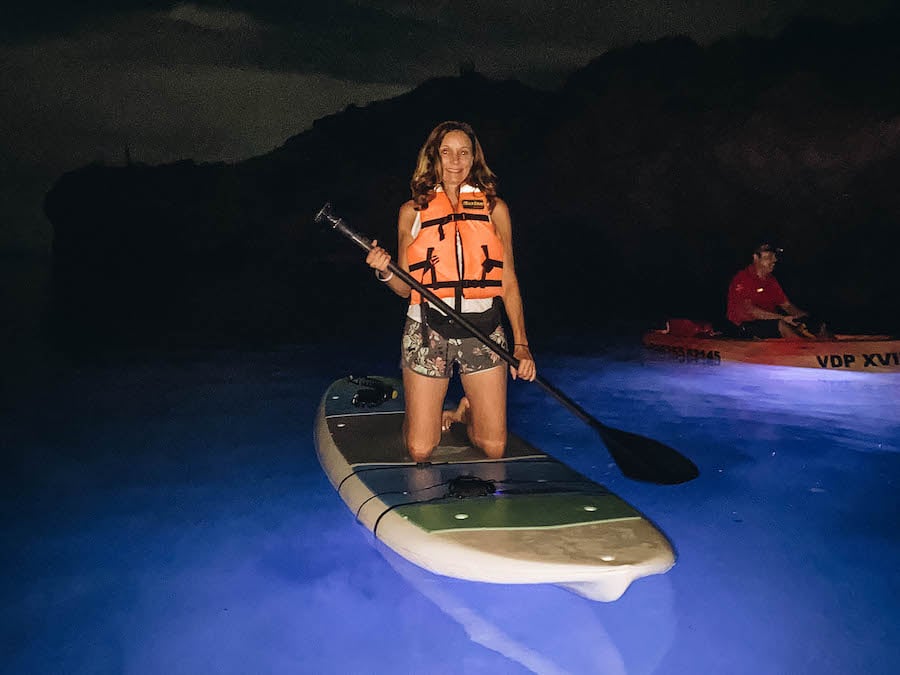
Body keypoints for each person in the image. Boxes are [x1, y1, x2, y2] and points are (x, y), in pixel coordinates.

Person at [365, 120, 536, 463]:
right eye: (447, 153)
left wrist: (521, 345)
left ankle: (466, 414)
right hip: (427, 331)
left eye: (464, 153)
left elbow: (508, 281)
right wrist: (384, 270)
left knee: (494, 448)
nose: (455, 161)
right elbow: (403, 288)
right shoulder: (411, 212)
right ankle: (419, 418)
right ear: (434, 158)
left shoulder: (495, 209)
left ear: (475, 158)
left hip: (484, 329)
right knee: (421, 449)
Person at [726, 243, 827, 339]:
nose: (774, 260)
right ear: (756, 258)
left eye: (774, 256)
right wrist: (783, 318)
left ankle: (829, 348)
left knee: (815, 324)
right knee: (781, 325)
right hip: (742, 326)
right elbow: (750, 311)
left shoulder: (771, 280)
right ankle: (806, 353)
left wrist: (803, 318)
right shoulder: (742, 278)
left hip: (768, 323)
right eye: (769, 257)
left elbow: (786, 305)